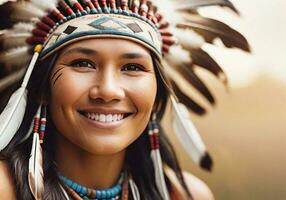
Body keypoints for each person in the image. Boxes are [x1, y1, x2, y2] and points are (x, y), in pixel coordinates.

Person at [0, 0, 249, 199]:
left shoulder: (185, 196)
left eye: (132, 67)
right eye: (83, 63)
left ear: (158, 94)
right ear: (42, 87)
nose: (108, 91)